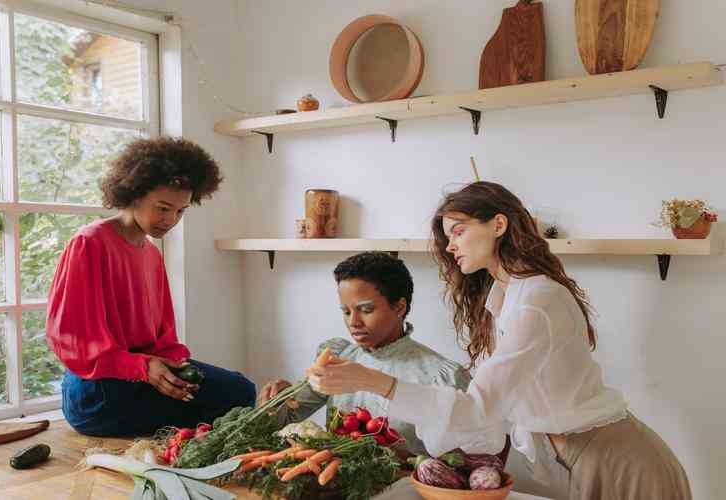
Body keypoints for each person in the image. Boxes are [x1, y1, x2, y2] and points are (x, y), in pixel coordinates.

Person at [307, 182, 691, 499]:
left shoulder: (539, 300)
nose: (451, 245)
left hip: (621, 463)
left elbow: (479, 408)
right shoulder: (501, 299)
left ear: (499, 224)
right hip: (570, 461)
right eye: (447, 237)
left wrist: (370, 380)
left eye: (458, 231)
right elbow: (487, 413)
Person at [47, 137, 256, 437]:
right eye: (162, 208)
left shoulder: (151, 253)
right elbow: (73, 340)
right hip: (98, 392)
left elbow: (163, 337)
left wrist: (175, 369)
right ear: (134, 194)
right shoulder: (89, 243)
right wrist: (144, 368)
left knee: (241, 391)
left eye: (180, 211)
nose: (170, 220)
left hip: (144, 376)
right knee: (225, 408)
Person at [258, 251, 477, 456]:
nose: (353, 322)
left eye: (366, 310)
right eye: (346, 311)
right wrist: (277, 402)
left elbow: (473, 461)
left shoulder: (441, 376)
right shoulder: (337, 357)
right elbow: (285, 420)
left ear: (399, 307)